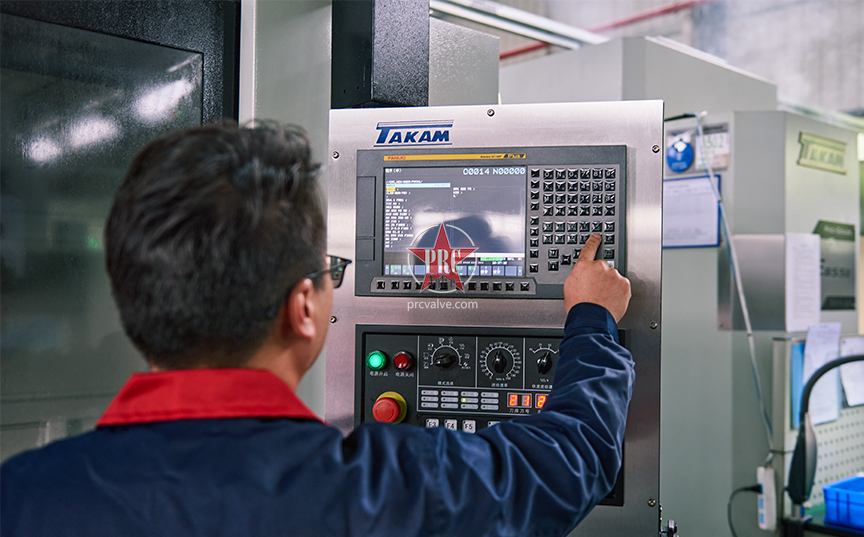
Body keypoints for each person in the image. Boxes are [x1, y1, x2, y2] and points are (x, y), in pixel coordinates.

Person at [1, 122, 634, 537]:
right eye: (331, 270)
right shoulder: (389, 492)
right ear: (303, 306)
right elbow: (571, 457)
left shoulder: (23, 497)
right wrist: (592, 317)